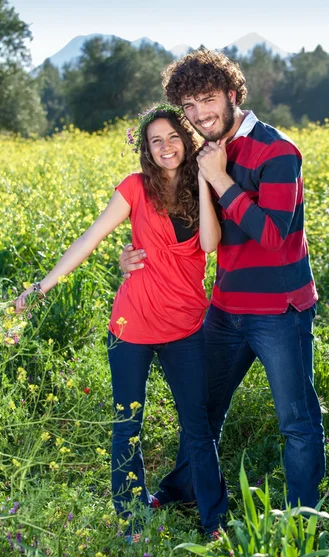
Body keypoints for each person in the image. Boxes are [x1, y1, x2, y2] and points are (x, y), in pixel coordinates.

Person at [119, 50, 326, 509]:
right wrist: (132, 255)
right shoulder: (203, 154)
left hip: (280, 311)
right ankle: (183, 493)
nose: (199, 115)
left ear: (232, 94)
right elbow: (179, 224)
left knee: (297, 422)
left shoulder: (278, 151)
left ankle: (302, 518)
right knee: (201, 411)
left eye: (207, 100)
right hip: (226, 306)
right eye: (188, 106)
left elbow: (273, 235)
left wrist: (221, 179)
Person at [15, 104, 228, 535]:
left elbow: (208, 242)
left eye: (172, 137)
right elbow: (90, 238)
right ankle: (131, 521)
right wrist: (42, 285)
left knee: (198, 427)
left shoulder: (205, 185)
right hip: (131, 326)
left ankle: (214, 522)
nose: (166, 147)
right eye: (156, 141)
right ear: (146, 150)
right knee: (126, 425)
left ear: (185, 142)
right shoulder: (134, 188)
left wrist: (206, 183)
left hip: (186, 327)